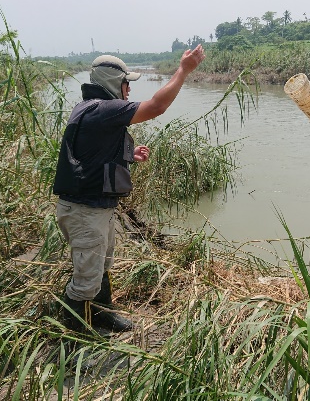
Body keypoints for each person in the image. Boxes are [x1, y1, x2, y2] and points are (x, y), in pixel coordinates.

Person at [53, 45, 205, 334]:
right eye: (127, 83)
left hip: (95, 209)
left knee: (101, 265)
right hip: (85, 212)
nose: (129, 89)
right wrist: (183, 70)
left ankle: (102, 315)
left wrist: (126, 155)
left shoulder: (91, 109)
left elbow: (90, 155)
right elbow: (157, 107)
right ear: (113, 83)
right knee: (86, 276)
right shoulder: (102, 109)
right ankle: (73, 337)